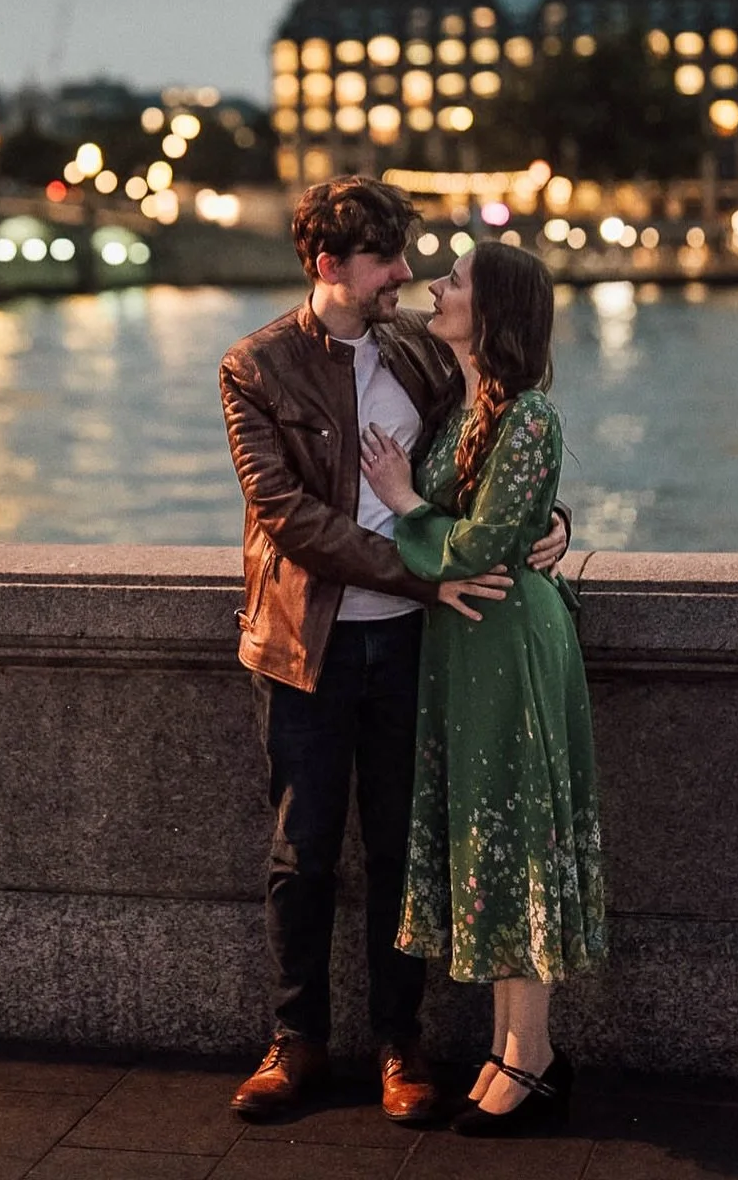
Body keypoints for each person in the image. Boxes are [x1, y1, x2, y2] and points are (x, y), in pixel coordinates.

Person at [219, 176, 570, 1125]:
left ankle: (398, 1045)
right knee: (304, 852)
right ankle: (295, 1044)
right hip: (308, 645)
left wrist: (548, 522)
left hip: (415, 646)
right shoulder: (254, 367)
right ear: (330, 267)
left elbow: (501, 441)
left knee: (401, 855)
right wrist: (425, 574)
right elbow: (289, 518)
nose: (407, 276)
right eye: (387, 262)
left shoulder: (418, 352)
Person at [360, 238, 607, 1137]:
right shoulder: (466, 403)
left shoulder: (528, 416)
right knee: (486, 839)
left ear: (492, 313)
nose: (437, 285)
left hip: (507, 643)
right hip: (463, 649)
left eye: (455, 280)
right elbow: (497, 520)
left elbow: (481, 548)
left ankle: (531, 1058)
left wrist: (408, 502)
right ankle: (513, 1046)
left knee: (516, 838)